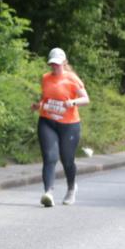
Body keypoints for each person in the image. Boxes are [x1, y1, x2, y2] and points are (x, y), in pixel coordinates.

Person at [30, 48, 90, 207]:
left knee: (67, 159)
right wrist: (39, 105)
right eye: (52, 64)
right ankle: (48, 192)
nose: (55, 67)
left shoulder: (72, 79)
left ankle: (71, 188)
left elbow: (86, 99)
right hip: (47, 121)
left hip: (69, 125)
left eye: (57, 64)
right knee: (49, 157)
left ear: (64, 63)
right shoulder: (45, 78)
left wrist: (73, 102)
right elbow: (46, 98)